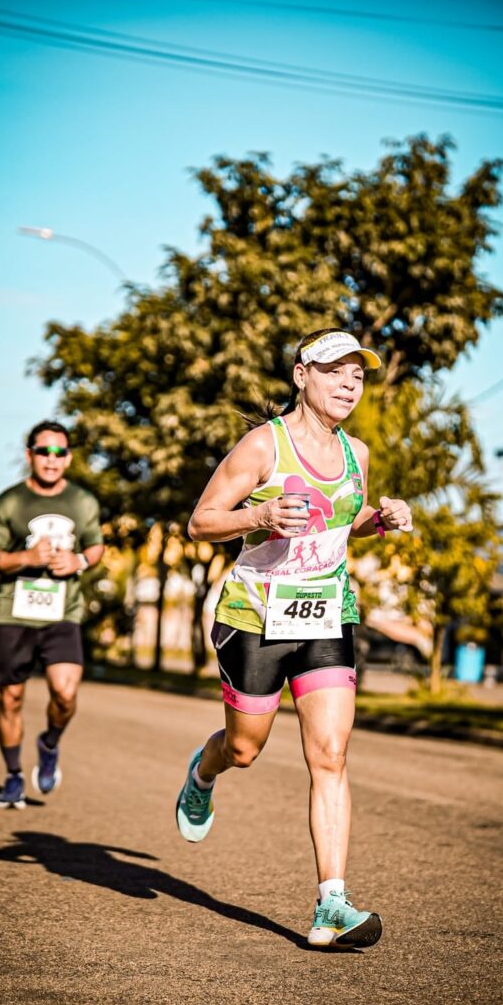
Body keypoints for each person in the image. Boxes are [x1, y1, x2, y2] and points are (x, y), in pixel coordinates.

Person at [175, 328, 412, 948]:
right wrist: (259, 514)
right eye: (335, 371)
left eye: (357, 375)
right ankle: (203, 772)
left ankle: (332, 903)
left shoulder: (357, 453)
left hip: (327, 612)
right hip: (255, 616)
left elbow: (344, 522)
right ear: (302, 375)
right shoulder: (264, 445)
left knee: (330, 755)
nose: (349, 384)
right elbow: (200, 522)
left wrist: (381, 519)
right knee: (244, 748)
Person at [0, 420, 104, 810]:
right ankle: (14, 776)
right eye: (44, 451)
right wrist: (25, 558)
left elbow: (96, 547)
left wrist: (79, 561)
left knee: (65, 694)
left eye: (59, 452)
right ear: (29, 454)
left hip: (62, 611)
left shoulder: (83, 502)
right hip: (13, 613)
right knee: (11, 697)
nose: (52, 459)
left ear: (68, 458)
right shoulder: (10, 502)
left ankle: (49, 743)